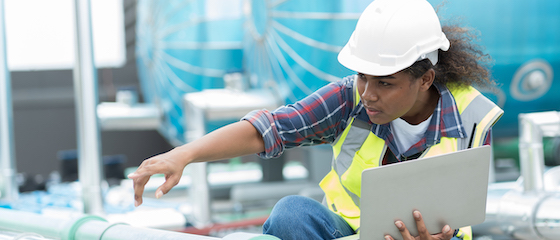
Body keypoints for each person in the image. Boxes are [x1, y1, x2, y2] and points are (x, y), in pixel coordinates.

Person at [128, 0, 503, 239]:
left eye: (385, 83)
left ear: (425, 79)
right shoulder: (350, 98)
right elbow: (271, 129)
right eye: (362, 76)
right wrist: (184, 155)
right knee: (293, 213)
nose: (368, 92)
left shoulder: (472, 119)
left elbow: (460, 218)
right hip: (346, 234)